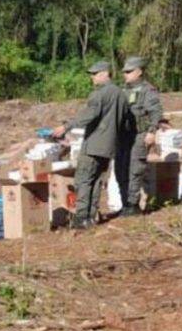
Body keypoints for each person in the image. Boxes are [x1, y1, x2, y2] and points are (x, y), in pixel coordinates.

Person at [52, 61, 130, 229]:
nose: (91, 77)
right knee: (96, 182)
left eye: (94, 74)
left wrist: (66, 127)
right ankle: (91, 217)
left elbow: (89, 115)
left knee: (83, 180)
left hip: (94, 144)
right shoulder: (121, 94)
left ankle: (81, 218)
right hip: (109, 146)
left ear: (104, 74)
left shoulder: (99, 94)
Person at [117, 56, 163, 216]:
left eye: (129, 71)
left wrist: (152, 131)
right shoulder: (124, 90)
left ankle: (133, 204)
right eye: (124, 72)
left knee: (135, 169)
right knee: (121, 169)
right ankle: (125, 203)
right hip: (124, 136)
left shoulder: (147, 90)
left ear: (139, 72)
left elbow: (155, 112)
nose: (125, 74)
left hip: (139, 134)